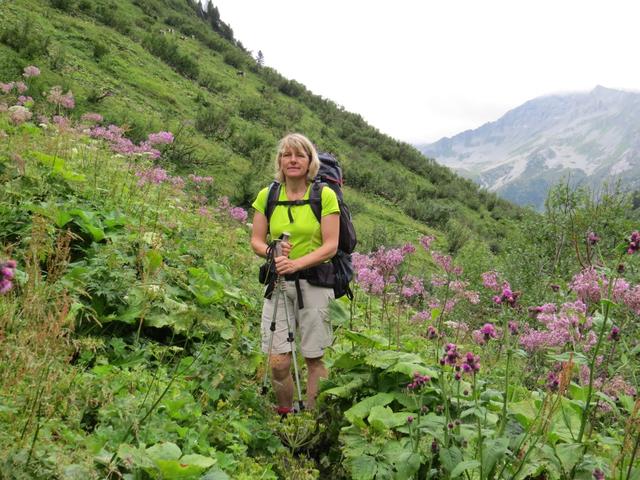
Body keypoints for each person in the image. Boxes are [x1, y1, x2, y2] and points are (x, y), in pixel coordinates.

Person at [251, 133, 340, 412]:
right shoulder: (267, 195)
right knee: (278, 361)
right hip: (279, 282)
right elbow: (256, 241)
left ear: (310, 161)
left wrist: (297, 264)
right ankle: (285, 414)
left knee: (314, 358)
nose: (292, 160)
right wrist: (273, 252)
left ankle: (311, 419)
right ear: (280, 160)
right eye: (287, 155)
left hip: (315, 284)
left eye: (300, 155)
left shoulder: (324, 196)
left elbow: (331, 246)